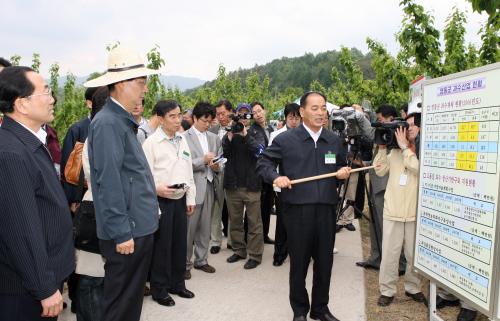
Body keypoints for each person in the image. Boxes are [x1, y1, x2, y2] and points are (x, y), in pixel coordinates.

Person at [257, 91, 350, 321]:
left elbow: (340, 167)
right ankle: (300, 311)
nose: (320, 113)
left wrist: (342, 173)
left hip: (326, 210)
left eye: (323, 108)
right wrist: (275, 177)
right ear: (302, 111)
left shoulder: (334, 140)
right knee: (298, 264)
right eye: (315, 108)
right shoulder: (286, 140)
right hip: (297, 211)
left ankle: (321, 308)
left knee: (325, 262)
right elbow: (264, 163)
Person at [84, 45, 160, 321]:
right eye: (141, 83)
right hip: (127, 231)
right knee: (120, 305)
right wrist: (121, 231)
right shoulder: (108, 124)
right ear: (121, 84)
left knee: (129, 302)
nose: (145, 89)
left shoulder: (120, 121)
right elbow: (109, 182)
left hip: (137, 226)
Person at [0, 66, 75, 320]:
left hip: (41, 279)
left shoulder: (29, 140)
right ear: (22, 104)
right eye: (45, 92)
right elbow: (21, 229)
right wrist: (44, 288)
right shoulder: (10, 153)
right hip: (25, 291)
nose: (52, 98)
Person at [142, 100, 196, 307]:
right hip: (161, 200)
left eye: (179, 115)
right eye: (172, 116)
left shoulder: (181, 139)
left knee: (179, 244)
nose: (177, 120)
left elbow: (188, 169)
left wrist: (190, 197)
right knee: (162, 247)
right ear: (161, 118)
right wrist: (157, 190)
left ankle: (177, 283)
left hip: (180, 198)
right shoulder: (151, 143)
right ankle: (160, 289)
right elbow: (144, 177)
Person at [375, 112, 426, 307]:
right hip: (393, 210)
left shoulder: (422, 149)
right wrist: (381, 148)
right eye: (406, 125)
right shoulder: (393, 150)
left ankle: (413, 287)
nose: (407, 129)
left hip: (414, 212)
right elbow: (379, 170)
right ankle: (387, 290)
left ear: (420, 128)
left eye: (412, 126)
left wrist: (406, 148)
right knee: (390, 254)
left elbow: (418, 169)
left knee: (413, 255)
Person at [356, 104, 404, 274]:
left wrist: (361, 116)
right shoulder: (383, 132)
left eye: (380, 119)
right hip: (376, 182)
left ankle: (399, 263)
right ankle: (376, 258)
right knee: (376, 224)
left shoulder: (398, 133)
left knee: (389, 229)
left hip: (386, 186)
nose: (378, 122)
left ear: (391, 118)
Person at [75, 86, 108, 321]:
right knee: (91, 277)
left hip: (102, 211)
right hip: (94, 211)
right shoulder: (98, 136)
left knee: (101, 278)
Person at [223, 103, 264, 270]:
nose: (243, 118)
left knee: (254, 222)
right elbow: (224, 153)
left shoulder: (256, 131)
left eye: (247, 115)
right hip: (233, 185)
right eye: (241, 114)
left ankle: (255, 255)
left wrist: (246, 135)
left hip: (251, 185)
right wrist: (230, 137)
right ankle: (239, 250)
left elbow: (260, 151)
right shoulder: (230, 131)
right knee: (235, 221)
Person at [184, 101, 221, 279]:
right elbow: (184, 164)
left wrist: (216, 166)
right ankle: (185, 263)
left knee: (205, 227)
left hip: (210, 184)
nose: (207, 124)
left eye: (209, 121)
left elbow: (220, 161)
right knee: (189, 228)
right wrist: (203, 160)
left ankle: (202, 260)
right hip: (192, 187)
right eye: (204, 120)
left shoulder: (214, 138)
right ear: (195, 118)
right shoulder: (184, 137)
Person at [267, 102, 301, 266]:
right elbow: (270, 161)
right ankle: (279, 255)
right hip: (282, 185)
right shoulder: (277, 135)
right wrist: (276, 182)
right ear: (286, 118)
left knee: (300, 222)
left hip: (301, 185)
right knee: (282, 221)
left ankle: (298, 253)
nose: (294, 121)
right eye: (290, 117)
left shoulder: (305, 135)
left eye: (296, 117)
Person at [209, 99, 233, 253]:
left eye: (223, 113)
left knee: (233, 208)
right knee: (216, 208)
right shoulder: (213, 131)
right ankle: (215, 241)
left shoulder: (238, 129)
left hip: (233, 174)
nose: (220, 117)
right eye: (218, 114)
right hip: (217, 173)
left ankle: (232, 240)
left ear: (230, 111)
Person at [249, 101, 275, 244]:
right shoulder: (251, 131)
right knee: (254, 210)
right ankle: (251, 237)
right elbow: (257, 151)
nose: (258, 114)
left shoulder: (271, 128)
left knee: (267, 207)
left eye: (259, 111)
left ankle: (264, 235)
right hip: (258, 174)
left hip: (270, 174)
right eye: (254, 113)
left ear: (264, 110)